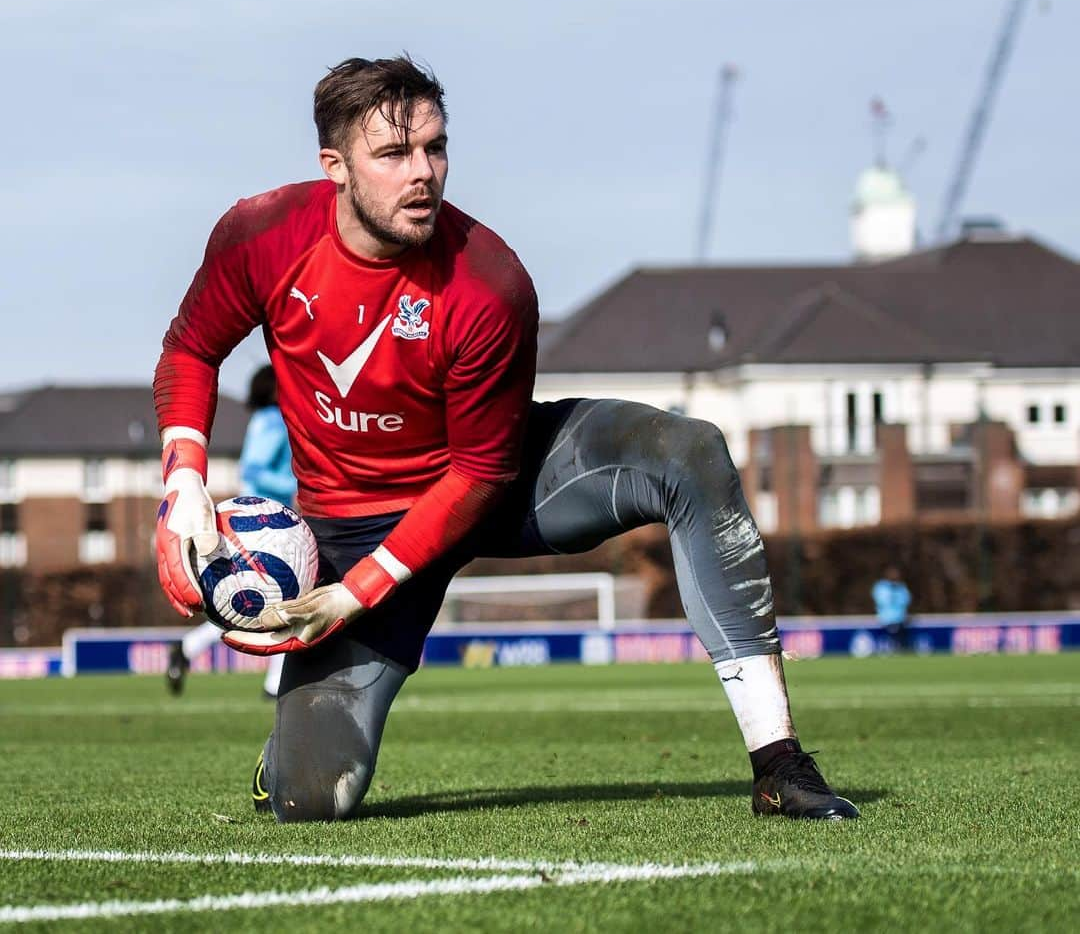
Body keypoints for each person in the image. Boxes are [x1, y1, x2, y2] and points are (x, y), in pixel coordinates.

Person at [153, 56, 857, 822]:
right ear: (335, 167)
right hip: (352, 526)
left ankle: (779, 764)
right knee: (309, 798)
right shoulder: (261, 233)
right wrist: (183, 480)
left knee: (689, 453)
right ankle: (283, 755)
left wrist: (358, 592)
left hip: (496, 481)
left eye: (434, 147)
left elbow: (482, 473)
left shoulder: (489, 283)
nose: (422, 173)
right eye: (392, 154)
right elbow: (191, 349)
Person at [165, 365, 297, 697]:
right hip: (269, 525)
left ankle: (188, 647)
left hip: (258, 519)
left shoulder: (263, 420)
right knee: (289, 598)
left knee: (266, 602)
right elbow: (254, 468)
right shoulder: (274, 420)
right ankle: (274, 684)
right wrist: (296, 486)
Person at [872, 566, 912, 652]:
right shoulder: (881, 587)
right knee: (889, 639)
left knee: (901, 640)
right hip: (886, 619)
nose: (895, 576)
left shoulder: (901, 586)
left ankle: (899, 651)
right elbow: (881, 601)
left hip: (900, 618)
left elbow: (906, 600)